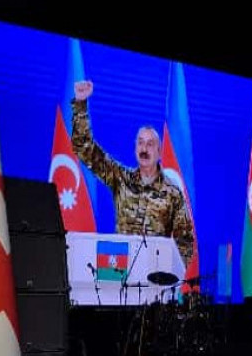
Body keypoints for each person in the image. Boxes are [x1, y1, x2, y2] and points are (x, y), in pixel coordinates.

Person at [70, 80, 195, 268]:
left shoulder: (172, 193)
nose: (144, 149)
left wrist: (167, 273)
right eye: (140, 143)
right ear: (135, 148)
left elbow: (185, 243)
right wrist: (80, 104)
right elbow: (84, 149)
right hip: (119, 271)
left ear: (160, 152)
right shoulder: (121, 178)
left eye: (150, 144)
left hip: (155, 281)